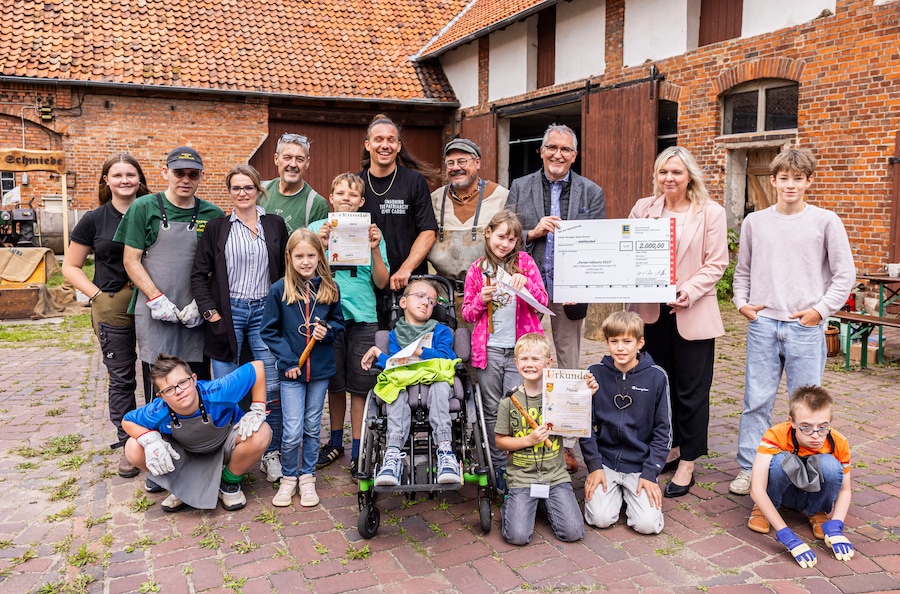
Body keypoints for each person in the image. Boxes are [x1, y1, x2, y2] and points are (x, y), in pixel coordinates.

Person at [729, 148, 855, 496]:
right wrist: (742, 304)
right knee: (756, 401)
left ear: (808, 181)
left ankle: (806, 465)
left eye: (797, 178)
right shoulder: (756, 221)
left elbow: (845, 275)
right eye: (783, 178)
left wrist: (821, 310)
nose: (790, 184)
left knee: (808, 405)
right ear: (773, 180)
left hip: (805, 327)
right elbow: (743, 271)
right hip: (764, 324)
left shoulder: (825, 221)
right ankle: (748, 468)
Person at [628, 147, 728, 498]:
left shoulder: (710, 213)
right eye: (663, 172)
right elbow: (629, 252)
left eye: (676, 172)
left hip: (691, 309)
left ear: (690, 176)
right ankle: (668, 446)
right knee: (659, 383)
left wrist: (687, 291)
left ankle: (688, 460)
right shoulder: (644, 209)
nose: (669, 178)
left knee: (692, 388)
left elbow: (716, 263)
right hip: (650, 313)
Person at [506, 123, 606, 473]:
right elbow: (504, 237)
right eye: (552, 147)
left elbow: (596, 243)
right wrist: (533, 232)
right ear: (541, 150)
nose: (558, 154)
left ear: (574, 155)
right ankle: (525, 432)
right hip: (529, 290)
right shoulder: (520, 187)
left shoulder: (591, 192)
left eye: (565, 149)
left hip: (570, 291)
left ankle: (564, 443)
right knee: (528, 362)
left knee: (568, 367)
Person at [190, 164, 289, 483]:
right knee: (225, 389)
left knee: (271, 387)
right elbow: (198, 275)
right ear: (229, 192)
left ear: (259, 190)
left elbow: (287, 272)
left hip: (265, 312)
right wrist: (211, 313)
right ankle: (226, 453)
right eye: (236, 188)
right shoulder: (218, 228)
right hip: (228, 312)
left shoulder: (274, 225)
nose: (242, 193)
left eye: (248, 187)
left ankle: (270, 453)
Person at [62, 153, 150, 478]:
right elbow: (70, 267)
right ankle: (128, 443)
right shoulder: (94, 219)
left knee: (161, 372)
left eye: (131, 174)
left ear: (139, 179)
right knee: (123, 377)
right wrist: (96, 294)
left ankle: (164, 435)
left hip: (153, 300)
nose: (125, 180)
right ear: (106, 180)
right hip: (112, 303)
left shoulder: (154, 212)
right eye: (118, 175)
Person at [115, 146, 224, 399]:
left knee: (194, 384)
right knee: (159, 382)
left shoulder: (213, 214)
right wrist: (156, 298)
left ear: (202, 176)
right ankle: (159, 436)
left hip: (194, 315)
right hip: (155, 312)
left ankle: (194, 436)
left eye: (193, 175)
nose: (185, 180)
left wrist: (202, 304)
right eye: (179, 173)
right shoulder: (144, 207)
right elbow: (131, 260)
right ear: (165, 172)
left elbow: (216, 268)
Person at [462, 210, 547, 492]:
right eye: (501, 237)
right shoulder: (477, 269)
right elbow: (468, 314)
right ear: (488, 233)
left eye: (512, 239)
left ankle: (520, 463)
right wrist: (478, 299)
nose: (505, 244)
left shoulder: (524, 263)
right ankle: (497, 463)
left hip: (519, 352)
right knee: (490, 407)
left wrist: (528, 285)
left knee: (519, 406)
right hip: (488, 350)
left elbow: (542, 302)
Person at [310, 173, 389, 473]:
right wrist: (320, 246)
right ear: (330, 198)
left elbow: (382, 281)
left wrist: (375, 249)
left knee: (360, 386)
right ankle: (334, 443)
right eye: (340, 192)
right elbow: (304, 274)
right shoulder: (318, 229)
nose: (346, 198)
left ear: (362, 201)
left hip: (364, 317)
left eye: (353, 194)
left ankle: (358, 448)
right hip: (327, 316)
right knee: (335, 385)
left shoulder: (372, 232)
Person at [122, 355, 272, 512]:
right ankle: (182, 487)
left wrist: (258, 407)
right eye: (169, 390)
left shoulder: (218, 391)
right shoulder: (158, 410)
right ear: (161, 396)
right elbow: (127, 421)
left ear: (193, 379)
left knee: (261, 432)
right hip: (186, 455)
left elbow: (257, 367)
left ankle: (229, 481)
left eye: (182, 382)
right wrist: (151, 440)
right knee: (133, 446)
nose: (179, 391)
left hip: (226, 446)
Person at [260, 228, 344, 507]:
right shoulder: (278, 290)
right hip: (292, 372)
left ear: (320, 255)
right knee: (293, 428)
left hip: (319, 371)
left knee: (311, 426)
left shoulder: (329, 288)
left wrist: (327, 331)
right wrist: (287, 362)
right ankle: (288, 478)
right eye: (299, 256)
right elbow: (269, 331)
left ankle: (307, 477)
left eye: (311, 255)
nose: (306, 261)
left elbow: (339, 323)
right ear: (289, 257)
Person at [495, 332, 594, 545]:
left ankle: (543, 504)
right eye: (524, 359)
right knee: (517, 536)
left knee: (573, 532)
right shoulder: (509, 401)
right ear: (516, 362)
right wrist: (527, 440)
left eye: (535, 359)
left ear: (548, 363)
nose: (529, 364)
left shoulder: (558, 396)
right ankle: (512, 504)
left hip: (555, 476)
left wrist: (585, 395)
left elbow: (576, 418)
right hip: (522, 476)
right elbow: (500, 441)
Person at [360, 279, 461, 486]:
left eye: (431, 300)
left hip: (434, 377)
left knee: (440, 387)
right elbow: (394, 363)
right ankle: (393, 454)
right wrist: (376, 352)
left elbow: (446, 357)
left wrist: (419, 351)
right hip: (405, 378)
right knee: (394, 390)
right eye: (420, 296)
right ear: (403, 302)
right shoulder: (396, 334)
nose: (426, 302)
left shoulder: (440, 331)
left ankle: (445, 451)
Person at [581, 311, 671, 535]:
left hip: (640, 466)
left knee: (648, 526)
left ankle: (630, 495)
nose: (620, 348)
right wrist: (594, 466)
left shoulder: (657, 377)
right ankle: (613, 495)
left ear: (640, 342)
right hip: (606, 463)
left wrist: (651, 473)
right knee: (599, 519)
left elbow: (664, 431)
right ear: (606, 342)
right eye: (614, 341)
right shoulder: (593, 374)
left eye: (627, 341)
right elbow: (584, 424)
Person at [748, 385, 854, 567]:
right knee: (780, 461)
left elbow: (845, 490)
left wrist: (837, 525)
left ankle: (817, 511)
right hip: (783, 491)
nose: (815, 435)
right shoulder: (776, 434)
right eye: (806, 427)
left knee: (830, 465)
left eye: (822, 427)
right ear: (792, 422)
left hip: (812, 493)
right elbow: (756, 488)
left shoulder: (839, 441)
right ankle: (765, 509)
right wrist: (786, 535)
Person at [359, 114, 439, 328]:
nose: (385, 145)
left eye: (391, 140)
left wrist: (406, 269)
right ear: (368, 145)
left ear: (398, 146)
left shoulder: (414, 181)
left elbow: (428, 231)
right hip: (368, 290)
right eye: (378, 139)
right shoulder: (356, 185)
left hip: (411, 288)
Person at [428, 138, 509, 292]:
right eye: (450, 163)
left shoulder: (502, 197)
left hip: (488, 292)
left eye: (462, 161)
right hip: (444, 292)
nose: (456, 167)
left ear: (477, 163)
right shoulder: (435, 199)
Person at [260, 133, 329, 235]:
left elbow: (319, 247)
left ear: (307, 163)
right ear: (276, 159)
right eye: (287, 158)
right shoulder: (260, 190)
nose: (293, 164)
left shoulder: (317, 205)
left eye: (299, 159)